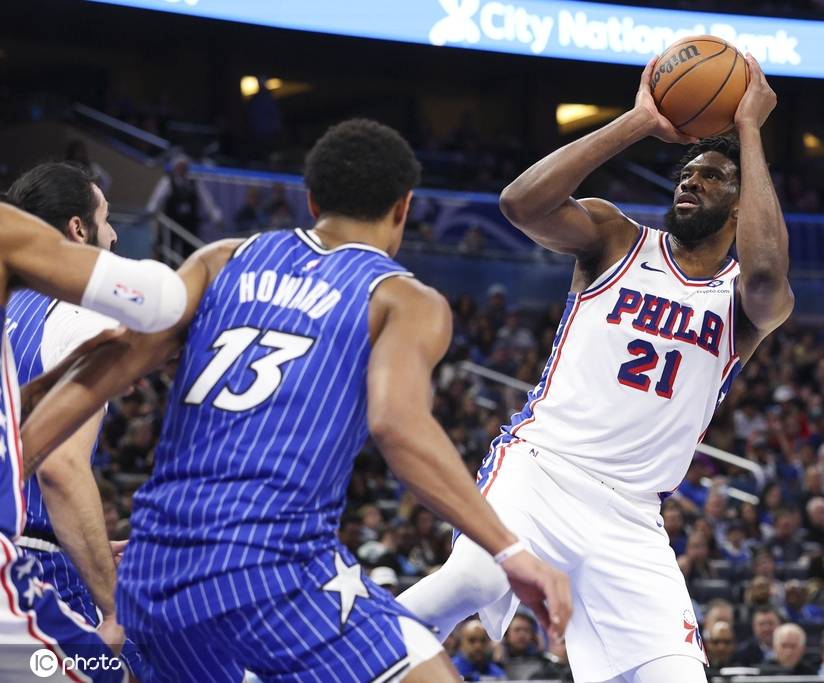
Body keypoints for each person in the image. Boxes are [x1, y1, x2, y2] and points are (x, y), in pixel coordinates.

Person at [21, 118, 571, 683]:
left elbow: (116, 359)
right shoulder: (403, 298)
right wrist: (508, 551)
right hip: (271, 565)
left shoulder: (221, 258)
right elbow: (398, 426)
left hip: (153, 570)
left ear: (311, 200)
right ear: (403, 207)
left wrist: (18, 448)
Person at [399, 53, 791, 683]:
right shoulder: (616, 238)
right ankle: (328, 659)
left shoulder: (743, 300)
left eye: (713, 177)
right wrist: (639, 121)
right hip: (544, 469)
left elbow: (769, 275)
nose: (690, 183)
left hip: (632, 515)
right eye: (687, 173)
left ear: (745, 207)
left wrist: (749, 129)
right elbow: (521, 203)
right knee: (474, 578)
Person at [0, 194, 184, 680]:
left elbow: (18, 434)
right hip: (29, 563)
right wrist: (113, 610)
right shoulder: (75, 311)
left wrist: (92, 546)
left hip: (34, 547)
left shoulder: (12, 312)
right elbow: (60, 468)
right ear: (77, 231)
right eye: (106, 219)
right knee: (125, 670)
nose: (116, 236)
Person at [145, 154, 222, 255]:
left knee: (189, 248)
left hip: (189, 222)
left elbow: (207, 200)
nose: (182, 170)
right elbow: (157, 198)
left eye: (184, 167)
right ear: (175, 168)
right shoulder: (167, 181)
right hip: (172, 221)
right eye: (179, 167)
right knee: (169, 247)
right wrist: (150, 211)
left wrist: (216, 216)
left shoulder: (194, 182)